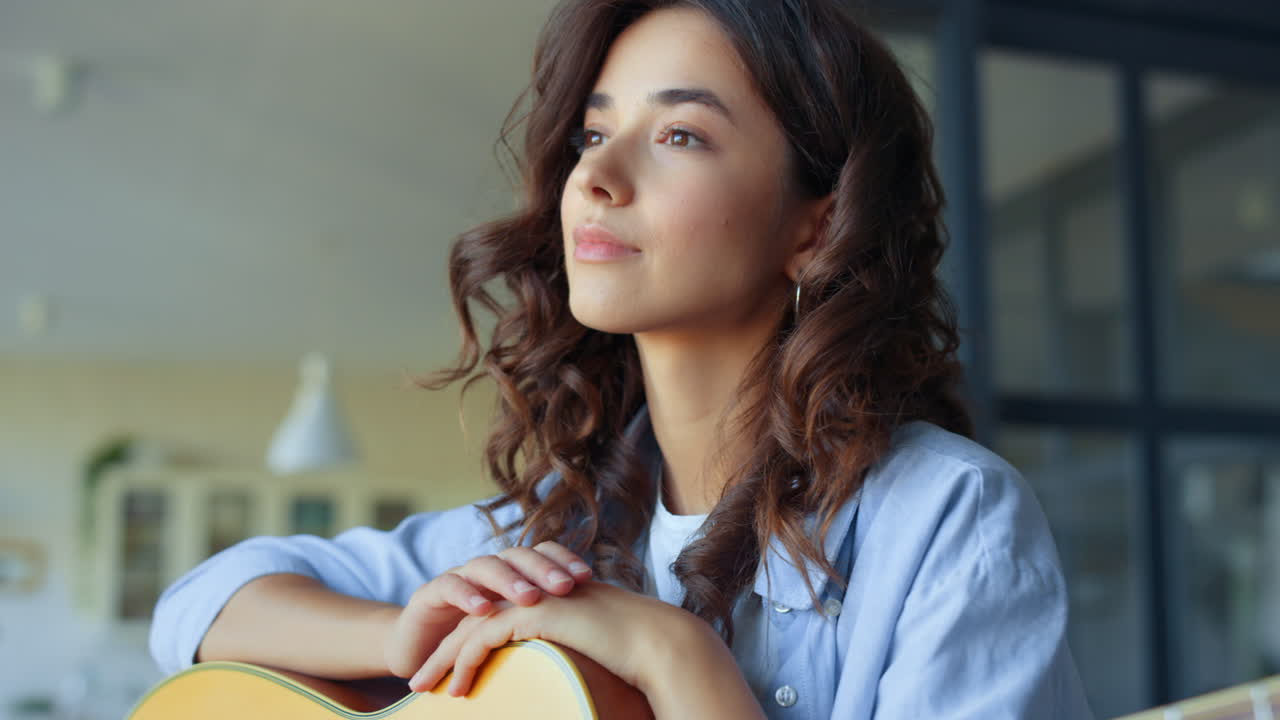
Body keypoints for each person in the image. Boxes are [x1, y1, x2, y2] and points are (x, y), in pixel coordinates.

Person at [149, 1, 1095, 718]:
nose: (594, 177)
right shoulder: (537, 536)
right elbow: (197, 608)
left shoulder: (948, 523)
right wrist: (398, 633)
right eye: (596, 133)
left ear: (815, 226)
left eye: (680, 134)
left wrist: (679, 659)